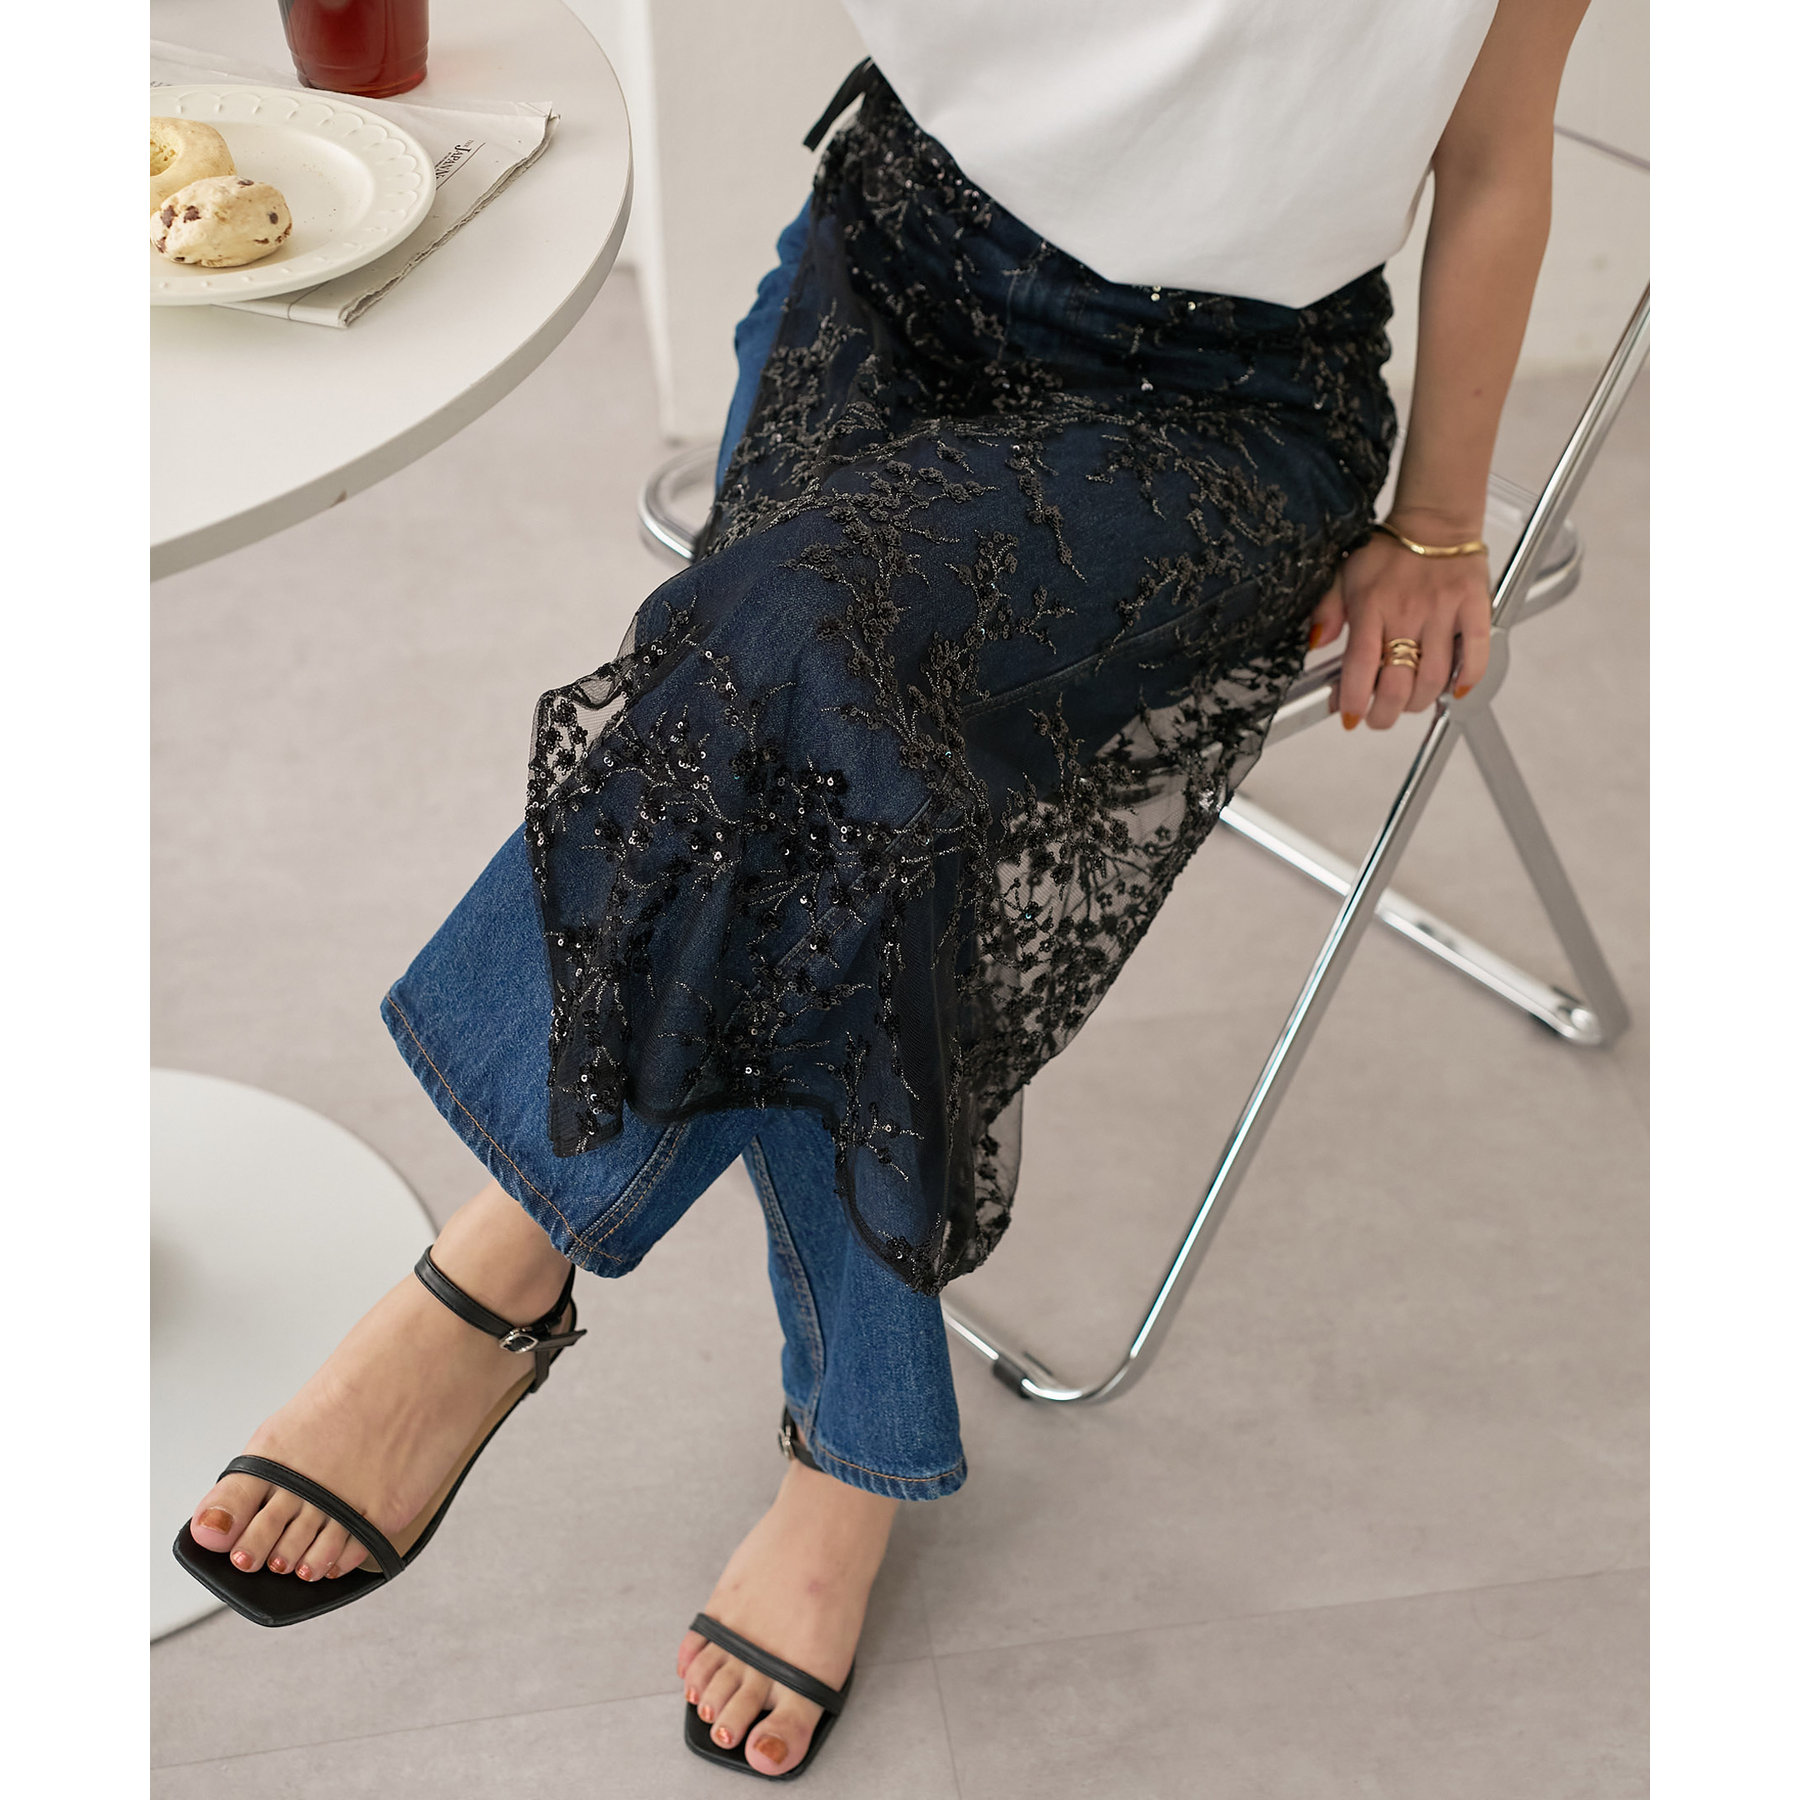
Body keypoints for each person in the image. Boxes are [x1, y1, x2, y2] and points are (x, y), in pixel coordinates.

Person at [173, 0, 1594, 1780]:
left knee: (794, 683)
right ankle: (853, 1456)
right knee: (827, 760)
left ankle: (506, 1257)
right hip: (897, 266)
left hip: (1220, 405)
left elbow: (1493, 154)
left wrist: (1441, 520)